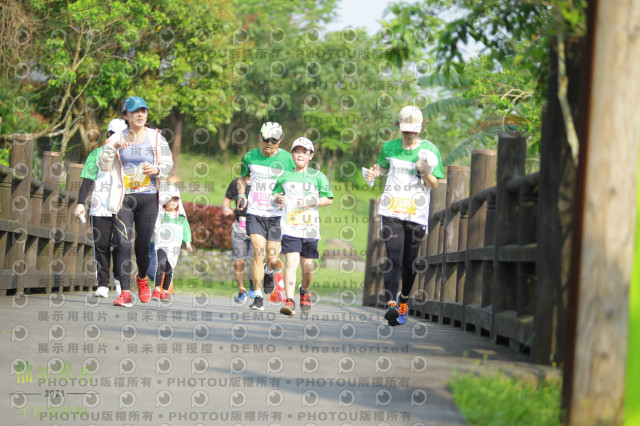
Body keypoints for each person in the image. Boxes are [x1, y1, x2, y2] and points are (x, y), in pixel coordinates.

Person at [365, 105, 444, 326]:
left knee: (410, 262)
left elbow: (435, 184)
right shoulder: (389, 147)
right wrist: (373, 173)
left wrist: (424, 170)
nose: (409, 134)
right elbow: (382, 168)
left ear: (420, 128)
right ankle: (391, 303)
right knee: (394, 256)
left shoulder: (430, 150)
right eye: (405, 129)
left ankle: (404, 299)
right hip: (391, 209)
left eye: (413, 130)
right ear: (399, 127)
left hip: (416, 213)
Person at [98, 96, 174, 307]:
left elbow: (168, 165)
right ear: (126, 116)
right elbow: (103, 164)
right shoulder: (117, 137)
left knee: (142, 248)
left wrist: (157, 169)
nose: (139, 115)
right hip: (124, 198)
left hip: (148, 199)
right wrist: (113, 147)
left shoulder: (156, 138)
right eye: (134, 111)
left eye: (143, 111)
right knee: (122, 244)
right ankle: (124, 293)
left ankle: (141, 277)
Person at [237, 122, 295, 311]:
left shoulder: (288, 159)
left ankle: (269, 271)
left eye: (274, 140)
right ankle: (258, 296)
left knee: (272, 258)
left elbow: (294, 182)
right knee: (257, 251)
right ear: (260, 137)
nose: (269, 143)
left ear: (280, 139)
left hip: (277, 215)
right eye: (266, 139)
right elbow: (242, 178)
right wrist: (242, 194)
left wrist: (287, 198)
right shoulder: (250, 156)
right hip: (255, 212)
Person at [272, 137, 333, 316]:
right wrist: (278, 199)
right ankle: (289, 301)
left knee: (308, 268)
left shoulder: (318, 176)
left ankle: (304, 291)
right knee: (291, 263)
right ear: (292, 154)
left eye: (304, 152)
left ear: (311, 156)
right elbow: (275, 195)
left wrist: (312, 201)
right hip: (290, 227)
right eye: (297, 151)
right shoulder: (284, 175)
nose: (300, 155)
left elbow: (328, 199)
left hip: (310, 229)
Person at [74, 118, 128, 298]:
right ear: (108, 135)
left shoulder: (129, 155)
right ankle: (103, 284)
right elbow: (87, 180)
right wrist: (80, 203)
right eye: (114, 134)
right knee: (102, 245)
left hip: (121, 206)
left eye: (121, 134)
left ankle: (119, 279)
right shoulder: (96, 154)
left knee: (120, 244)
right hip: (99, 206)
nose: (117, 137)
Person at [151, 185, 193, 302]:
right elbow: (155, 224)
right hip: (162, 245)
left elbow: (186, 231)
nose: (173, 202)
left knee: (169, 269)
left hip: (174, 247)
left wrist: (188, 243)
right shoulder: (161, 215)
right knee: (161, 264)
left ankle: (165, 291)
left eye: (175, 200)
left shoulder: (181, 218)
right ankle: (157, 289)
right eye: (170, 200)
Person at [222, 175, 255, 302]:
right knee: (238, 261)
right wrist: (226, 208)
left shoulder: (261, 183)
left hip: (257, 226)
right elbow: (226, 200)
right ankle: (241, 290)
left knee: (255, 260)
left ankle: (253, 283)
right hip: (239, 226)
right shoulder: (237, 182)